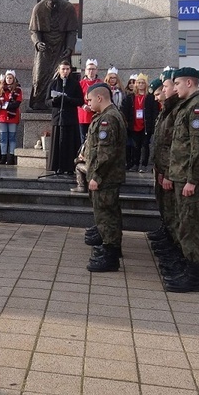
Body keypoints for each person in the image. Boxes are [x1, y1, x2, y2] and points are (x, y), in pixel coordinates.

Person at [164, 67, 199, 292]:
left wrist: (192, 180)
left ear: (189, 83)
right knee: (184, 224)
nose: (174, 88)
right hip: (181, 176)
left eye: (177, 84)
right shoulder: (186, 107)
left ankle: (193, 277)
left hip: (190, 180)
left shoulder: (197, 108)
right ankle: (186, 266)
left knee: (191, 227)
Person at [83, 83, 127, 272]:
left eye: (90, 100)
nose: (89, 104)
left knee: (106, 216)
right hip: (109, 176)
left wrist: (97, 176)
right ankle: (111, 249)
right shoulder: (109, 115)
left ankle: (110, 257)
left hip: (106, 177)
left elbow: (106, 152)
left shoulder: (108, 119)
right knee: (109, 214)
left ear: (100, 98)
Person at [29, 0, 78, 110]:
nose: (55, 5)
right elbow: (34, 31)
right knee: (39, 75)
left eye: (57, 2)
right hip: (44, 47)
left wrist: (70, 48)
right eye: (52, 3)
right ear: (46, 0)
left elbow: (72, 31)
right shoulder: (38, 9)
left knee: (61, 75)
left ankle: (58, 102)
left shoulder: (68, 8)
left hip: (61, 46)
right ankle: (39, 102)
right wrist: (37, 43)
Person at [147, 71, 180, 246]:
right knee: (165, 206)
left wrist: (167, 172)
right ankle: (166, 231)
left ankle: (172, 242)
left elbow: (175, 146)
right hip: (163, 167)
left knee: (173, 209)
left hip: (172, 170)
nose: (157, 97)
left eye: (160, 91)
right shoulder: (165, 111)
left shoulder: (175, 111)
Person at [45, 61, 84, 174]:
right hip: (58, 117)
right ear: (59, 70)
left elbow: (80, 100)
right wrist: (53, 101)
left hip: (70, 118)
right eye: (63, 69)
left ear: (70, 70)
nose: (65, 71)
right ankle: (57, 166)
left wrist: (69, 99)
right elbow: (46, 101)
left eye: (67, 69)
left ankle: (70, 167)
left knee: (70, 143)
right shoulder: (53, 83)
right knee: (58, 142)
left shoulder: (75, 84)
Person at [121, 73, 159, 173]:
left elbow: (154, 111)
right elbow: (125, 111)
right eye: (139, 83)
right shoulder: (130, 97)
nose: (140, 84)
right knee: (135, 146)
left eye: (143, 83)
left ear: (146, 84)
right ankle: (135, 163)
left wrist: (153, 125)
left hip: (146, 125)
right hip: (134, 125)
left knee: (145, 145)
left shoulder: (150, 97)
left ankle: (144, 164)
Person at [0, 69, 22, 165]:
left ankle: (11, 156)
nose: (9, 80)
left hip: (12, 117)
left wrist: (5, 105)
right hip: (2, 117)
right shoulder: (0, 90)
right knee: (3, 138)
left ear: (13, 79)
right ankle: (3, 156)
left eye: (10, 78)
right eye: (7, 78)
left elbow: (16, 103)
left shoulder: (18, 90)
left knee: (12, 137)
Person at [78, 59, 102, 143]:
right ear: (85, 71)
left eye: (93, 69)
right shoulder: (80, 84)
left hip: (96, 115)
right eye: (89, 69)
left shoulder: (101, 83)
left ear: (96, 70)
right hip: (83, 116)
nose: (91, 71)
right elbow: (77, 98)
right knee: (84, 140)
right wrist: (83, 105)